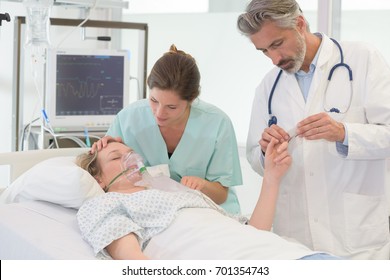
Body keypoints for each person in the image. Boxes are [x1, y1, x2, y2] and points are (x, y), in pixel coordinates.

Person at [237, 0, 390, 259]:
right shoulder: (268, 86)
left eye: (276, 44)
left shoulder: (361, 59)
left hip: (355, 233)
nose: (274, 59)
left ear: (299, 24)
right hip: (295, 234)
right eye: (263, 51)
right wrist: (266, 150)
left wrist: (344, 133)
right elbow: (255, 157)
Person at [76, 139, 339, 260]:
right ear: (98, 179)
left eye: (131, 152)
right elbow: (132, 261)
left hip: (287, 255)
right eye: (115, 158)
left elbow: (254, 232)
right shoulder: (104, 204)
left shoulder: (182, 195)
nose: (129, 160)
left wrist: (272, 176)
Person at [91, 45, 242, 214]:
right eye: (154, 100)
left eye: (171, 106)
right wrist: (103, 147)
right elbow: (101, 174)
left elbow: (221, 194)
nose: (159, 113)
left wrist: (203, 186)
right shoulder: (128, 119)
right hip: (154, 214)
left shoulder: (217, 124)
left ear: (191, 99)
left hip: (210, 214)